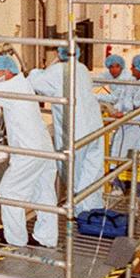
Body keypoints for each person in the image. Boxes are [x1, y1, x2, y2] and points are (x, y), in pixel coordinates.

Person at [0, 54, 58, 248]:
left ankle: (15, 240)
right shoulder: (22, 84)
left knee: (9, 192)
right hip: (44, 147)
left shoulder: (12, 86)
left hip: (29, 151)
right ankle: (47, 238)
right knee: (44, 193)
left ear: (8, 72)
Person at [28, 46, 105, 212]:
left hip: (75, 132)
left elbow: (34, 83)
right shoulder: (82, 68)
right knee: (92, 171)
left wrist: (38, 70)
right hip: (94, 127)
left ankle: (81, 212)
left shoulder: (59, 70)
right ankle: (94, 208)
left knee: (74, 173)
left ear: (59, 54)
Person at [110, 53, 140, 171]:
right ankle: (115, 176)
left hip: (137, 125)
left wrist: (126, 115)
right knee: (117, 149)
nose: (131, 68)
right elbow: (123, 99)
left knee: (134, 155)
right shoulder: (131, 81)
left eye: (133, 66)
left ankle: (131, 182)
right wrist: (116, 109)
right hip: (125, 123)